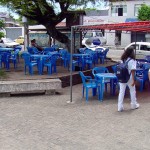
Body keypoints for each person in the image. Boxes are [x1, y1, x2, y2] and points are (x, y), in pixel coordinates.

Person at [118, 46, 140, 112]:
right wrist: (134, 80)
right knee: (132, 91)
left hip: (122, 77)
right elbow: (133, 71)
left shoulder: (123, 58)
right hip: (129, 77)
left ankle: (120, 107)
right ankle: (133, 105)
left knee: (121, 92)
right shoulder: (132, 60)